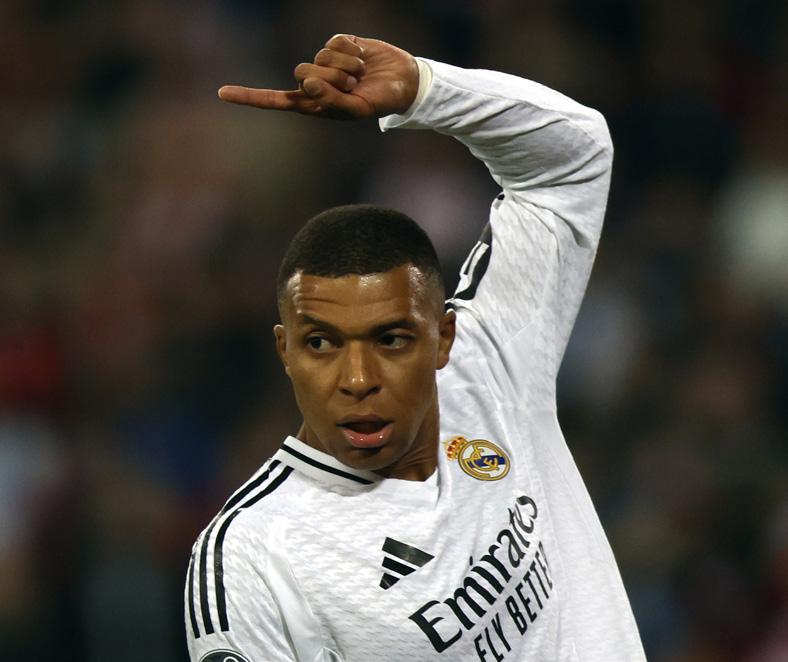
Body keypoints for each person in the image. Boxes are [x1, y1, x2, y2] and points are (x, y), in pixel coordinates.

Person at [185, 34, 646, 661]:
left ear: (443, 338)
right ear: (285, 351)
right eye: (321, 343)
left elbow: (574, 158)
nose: (357, 379)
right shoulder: (252, 557)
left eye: (391, 339)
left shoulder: (490, 368)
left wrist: (425, 90)